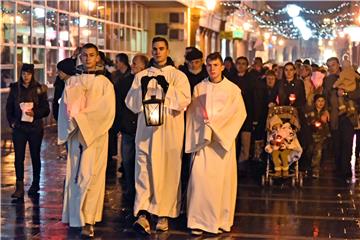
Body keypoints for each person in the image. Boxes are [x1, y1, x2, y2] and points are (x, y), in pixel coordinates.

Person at [125, 37, 191, 234]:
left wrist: (167, 88)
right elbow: (131, 103)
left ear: (167, 50)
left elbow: (184, 102)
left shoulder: (178, 76)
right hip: (146, 133)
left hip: (169, 134)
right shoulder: (142, 76)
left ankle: (163, 213)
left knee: (167, 173)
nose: (158, 52)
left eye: (161, 49)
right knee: (144, 171)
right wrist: (143, 90)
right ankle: (143, 212)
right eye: (154, 49)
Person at [185, 52, 246, 235]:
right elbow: (192, 115)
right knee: (199, 181)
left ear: (222, 67)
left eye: (216, 65)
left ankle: (218, 221)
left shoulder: (232, 90)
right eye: (209, 65)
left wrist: (217, 128)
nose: (212, 69)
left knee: (220, 184)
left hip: (221, 145)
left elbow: (238, 114)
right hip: (202, 143)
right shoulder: (198, 88)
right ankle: (197, 221)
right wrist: (203, 129)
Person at [58, 43, 115, 237]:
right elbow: (64, 107)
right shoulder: (72, 82)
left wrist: (83, 120)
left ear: (97, 57)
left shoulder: (105, 83)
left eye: (91, 55)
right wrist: (72, 122)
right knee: (75, 177)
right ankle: (76, 217)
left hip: (95, 138)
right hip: (76, 137)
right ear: (80, 57)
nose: (88, 58)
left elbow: (106, 111)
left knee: (90, 177)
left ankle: (88, 219)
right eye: (84, 55)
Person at [6, 63, 50, 198]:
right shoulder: (15, 88)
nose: (26, 76)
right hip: (19, 128)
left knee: (35, 156)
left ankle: (35, 183)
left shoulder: (39, 89)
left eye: (29, 74)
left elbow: (46, 110)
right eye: (24, 74)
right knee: (18, 157)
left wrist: (35, 113)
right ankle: (19, 187)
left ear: (32, 74)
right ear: (20, 74)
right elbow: (9, 108)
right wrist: (12, 122)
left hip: (35, 128)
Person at [118, 54, 148, 208]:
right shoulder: (124, 82)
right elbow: (120, 105)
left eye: (135, 63)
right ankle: (131, 189)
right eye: (132, 63)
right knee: (128, 161)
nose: (132, 66)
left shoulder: (148, 81)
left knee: (142, 163)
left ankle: (141, 191)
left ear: (144, 66)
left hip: (143, 130)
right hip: (128, 129)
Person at [304, 94, 330, 178]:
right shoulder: (310, 111)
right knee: (309, 151)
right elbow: (307, 123)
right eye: (319, 101)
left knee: (318, 151)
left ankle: (315, 170)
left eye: (322, 101)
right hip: (310, 136)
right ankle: (307, 168)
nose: (321, 103)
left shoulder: (326, 113)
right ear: (315, 102)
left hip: (321, 137)